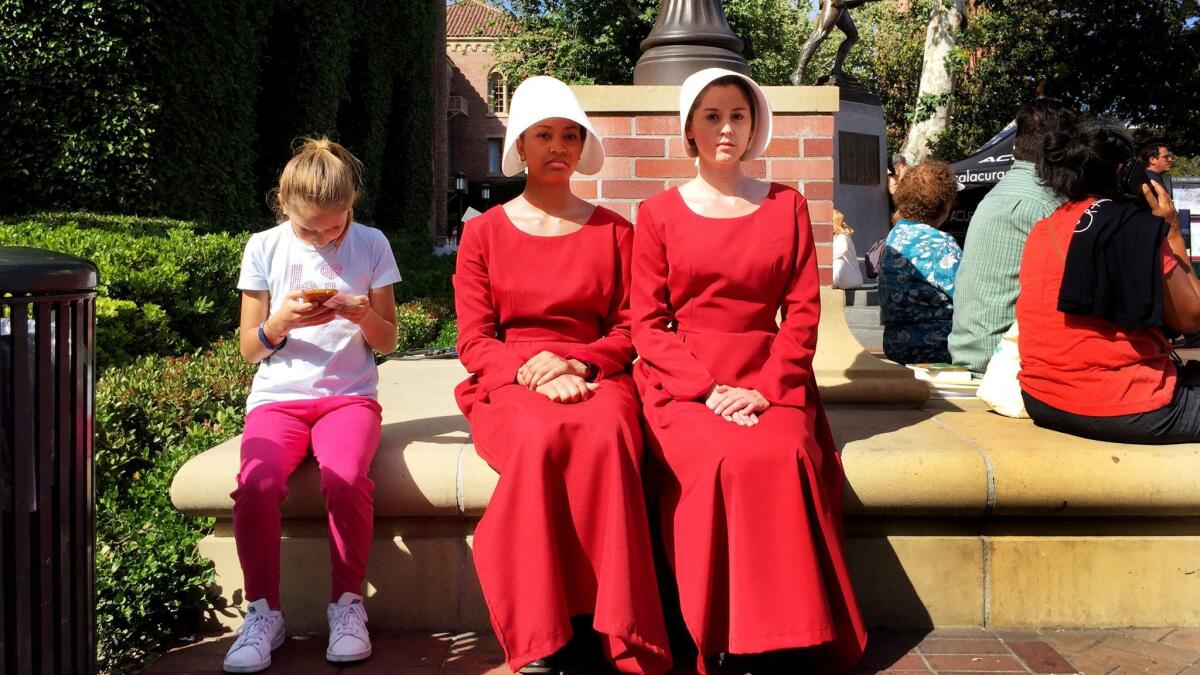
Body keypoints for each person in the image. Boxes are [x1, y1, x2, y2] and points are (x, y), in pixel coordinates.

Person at [631, 68, 866, 675]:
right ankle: (721, 632)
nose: (726, 128)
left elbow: (803, 312)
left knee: (783, 455)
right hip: (685, 384)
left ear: (755, 123)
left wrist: (763, 389)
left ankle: (792, 632)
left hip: (770, 378)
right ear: (690, 129)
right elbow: (648, 325)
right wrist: (707, 391)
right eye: (711, 116)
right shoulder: (656, 213)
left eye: (737, 114)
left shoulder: (788, 205)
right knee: (718, 461)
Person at [454, 76, 671, 675]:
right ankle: (544, 632)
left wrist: (577, 362)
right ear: (520, 146)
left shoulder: (615, 231)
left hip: (595, 372)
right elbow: (473, 339)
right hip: (510, 378)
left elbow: (632, 330)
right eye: (543, 134)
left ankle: (605, 624)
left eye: (570, 135)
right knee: (540, 437)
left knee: (605, 436)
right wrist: (530, 369)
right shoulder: (483, 232)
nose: (558, 146)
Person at [225, 138, 401, 672]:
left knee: (345, 478)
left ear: (353, 205)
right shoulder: (264, 246)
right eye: (311, 229)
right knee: (256, 485)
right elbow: (249, 348)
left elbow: (389, 340)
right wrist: (278, 323)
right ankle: (263, 612)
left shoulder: (371, 243)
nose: (325, 238)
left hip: (348, 397)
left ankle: (348, 604)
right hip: (278, 398)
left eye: (337, 225)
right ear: (285, 208)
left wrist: (360, 314)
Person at [1017, 119, 1200, 443]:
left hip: (1041, 399)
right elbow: (1192, 317)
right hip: (1128, 405)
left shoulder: (1041, 230)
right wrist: (1171, 231)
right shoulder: (1133, 228)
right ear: (1124, 172)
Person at [949, 98, 1077, 373]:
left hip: (969, 351)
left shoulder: (999, 193)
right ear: (1062, 150)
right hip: (1004, 363)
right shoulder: (1046, 205)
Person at [879, 161, 962, 364]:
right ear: (943, 206)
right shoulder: (939, 244)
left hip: (896, 346)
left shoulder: (895, 235)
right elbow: (967, 298)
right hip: (936, 351)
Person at [831, 209, 864, 289]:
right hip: (843, 278)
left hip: (853, 278)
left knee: (839, 261)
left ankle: (830, 285)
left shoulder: (842, 236)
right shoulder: (834, 237)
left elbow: (842, 250)